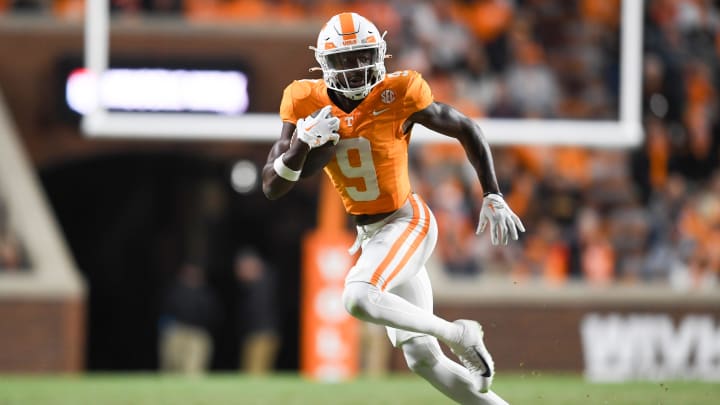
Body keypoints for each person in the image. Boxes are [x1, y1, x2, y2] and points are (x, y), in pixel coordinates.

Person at [262, 12, 524, 405]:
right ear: (325, 64)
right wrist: (302, 144)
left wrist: (492, 192)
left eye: (362, 56)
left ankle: (460, 335)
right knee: (421, 359)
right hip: (372, 236)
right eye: (345, 60)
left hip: (406, 221)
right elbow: (272, 185)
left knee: (358, 296)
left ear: (380, 53)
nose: (355, 68)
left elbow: (466, 126)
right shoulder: (304, 99)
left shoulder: (399, 92)